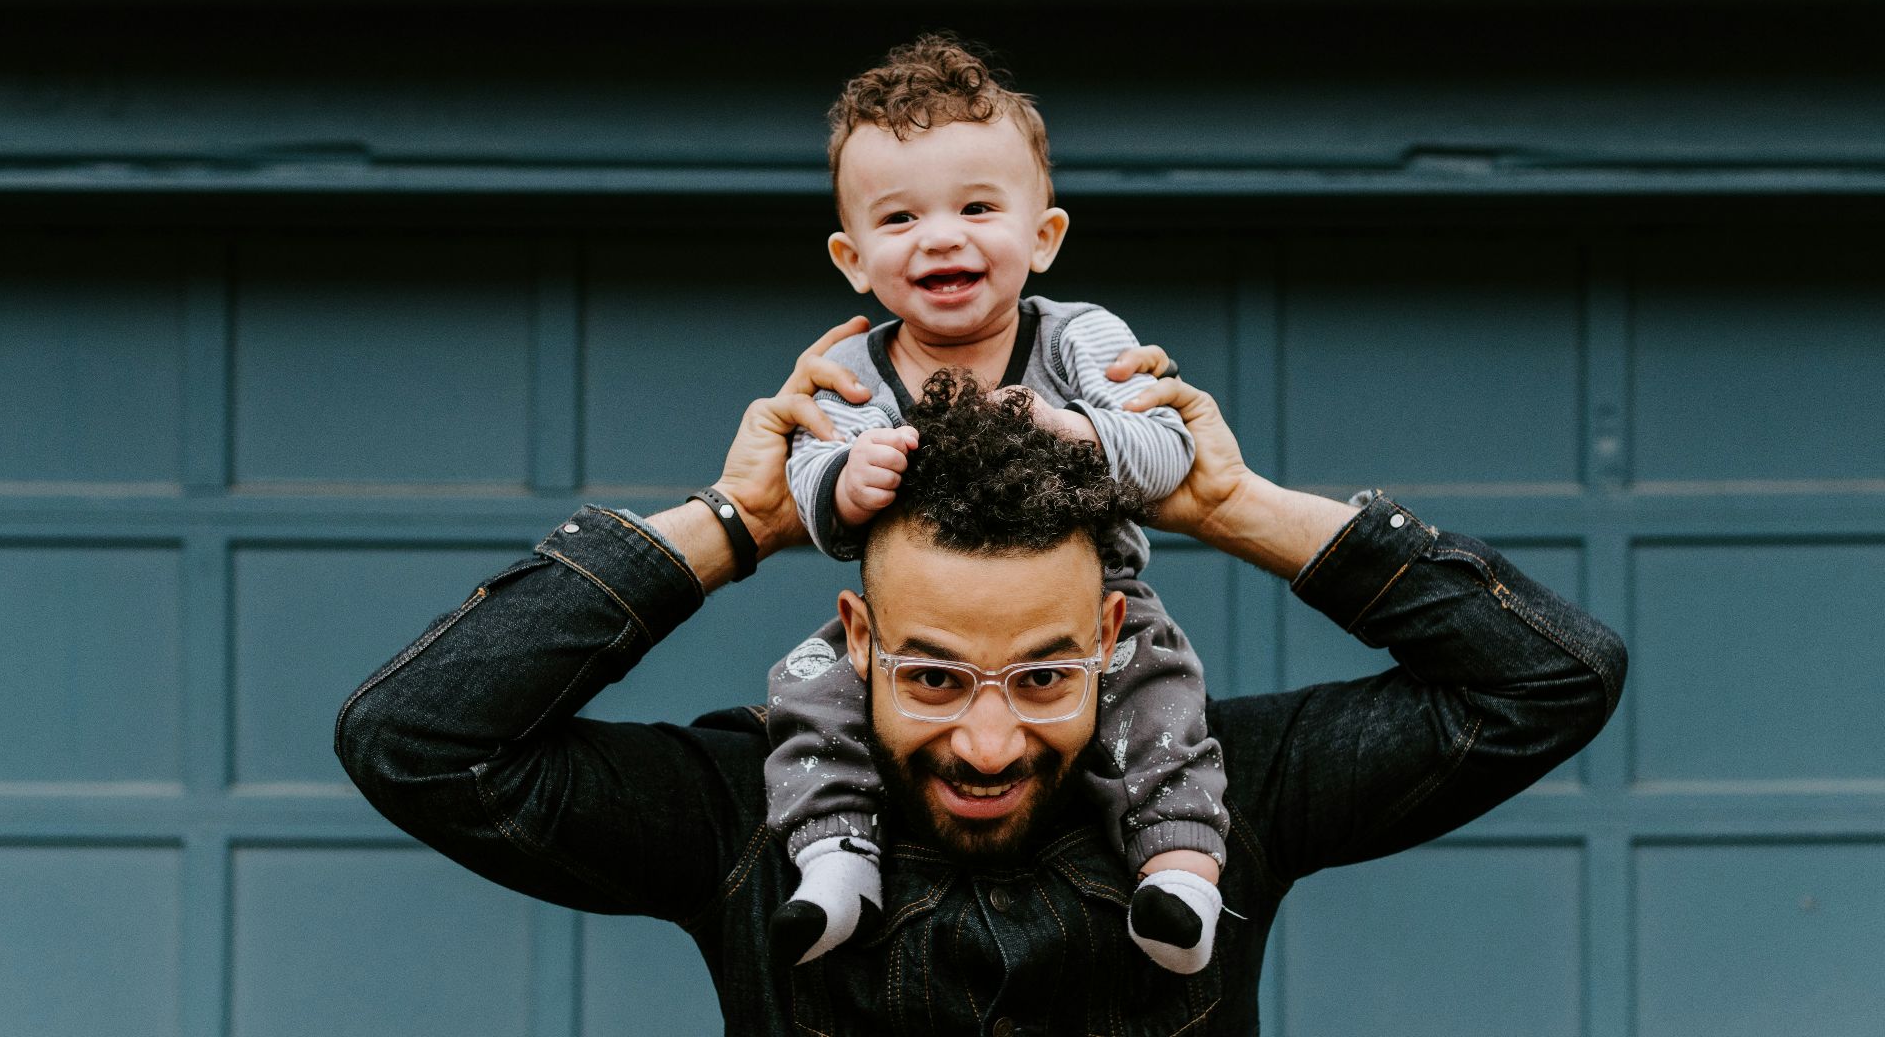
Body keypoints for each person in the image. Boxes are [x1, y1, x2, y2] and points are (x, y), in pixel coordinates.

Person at [335, 320, 1627, 1036]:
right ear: (856, 639)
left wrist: (1235, 507)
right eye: (938, 682)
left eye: (1047, 677)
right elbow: (417, 740)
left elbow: (1549, 682)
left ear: (1116, 632)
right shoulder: (744, 815)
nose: (993, 745)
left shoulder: (1228, 795)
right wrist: (736, 524)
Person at [766, 32, 1226, 974]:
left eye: (977, 207)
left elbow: (1166, 447)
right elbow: (809, 486)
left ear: (1043, 236)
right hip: (913, 624)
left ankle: (1178, 872)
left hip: (1098, 602)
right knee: (808, 688)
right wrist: (843, 483)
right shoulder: (851, 367)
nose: (940, 236)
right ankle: (834, 857)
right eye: (899, 221)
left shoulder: (1078, 340)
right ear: (854, 259)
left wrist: (1076, 431)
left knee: (1162, 692)